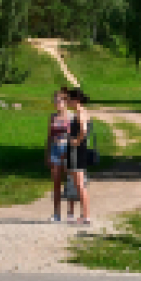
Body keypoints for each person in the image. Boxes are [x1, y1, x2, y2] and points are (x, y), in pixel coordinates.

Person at [66, 88, 93, 225]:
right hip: (79, 150)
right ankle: (84, 214)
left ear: (75, 100)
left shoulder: (80, 113)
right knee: (79, 183)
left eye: (69, 99)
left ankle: (86, 216)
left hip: (77, 151)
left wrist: (76, 141)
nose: (68, 102)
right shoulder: (82, 112)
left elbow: (83, 130)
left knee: (80, 184)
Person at [46, 89, 71, 222]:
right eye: (55, 101)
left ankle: (70, 213)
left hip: (67, 149)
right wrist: (48, 153)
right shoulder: (53, 117)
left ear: (65, 102)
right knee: (56, 183)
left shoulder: (71, 117)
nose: (56, 103)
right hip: (55, 149)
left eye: (59, 101)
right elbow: (49, 136)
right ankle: (56, 213)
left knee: (69, 182)